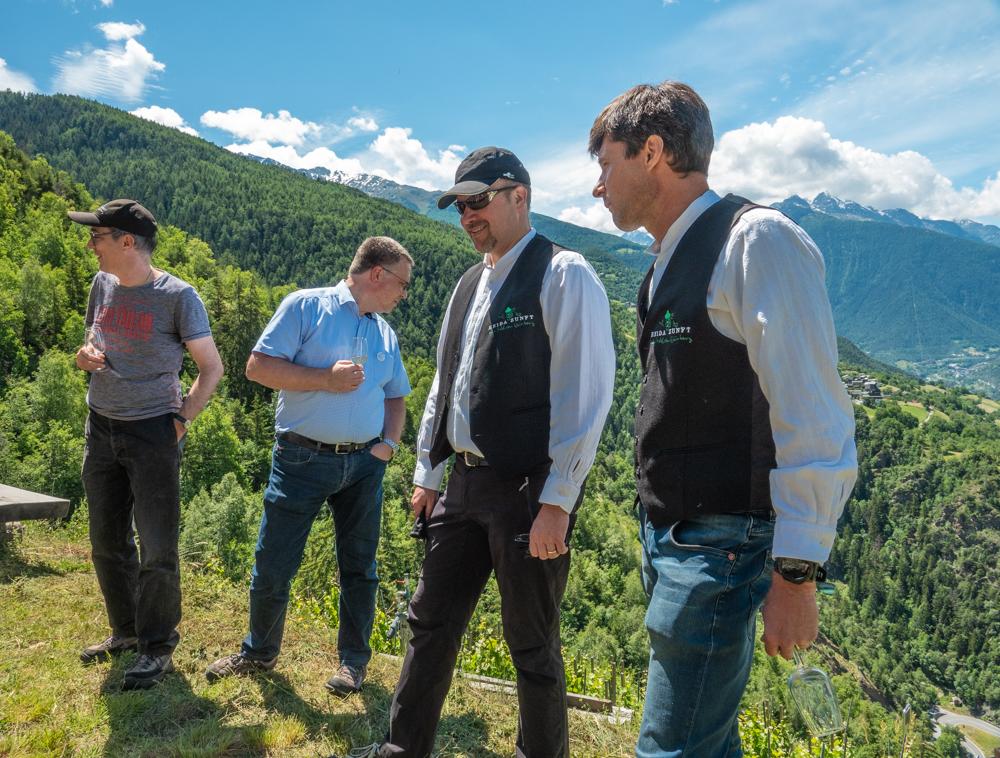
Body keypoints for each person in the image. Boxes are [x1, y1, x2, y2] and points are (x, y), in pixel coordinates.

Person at [589, 81, 858, 757]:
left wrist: (796, 572)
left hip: (723, 545)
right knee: (704, 739)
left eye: (607, 163)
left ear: (652, 152)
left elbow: (813, 411)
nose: (598, 186)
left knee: (672, 747)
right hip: (675, 537)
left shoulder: (755, 240)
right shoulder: (665, 262)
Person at [351, 147, 615, 758]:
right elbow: (446, 384)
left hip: (529, 490)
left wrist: (559, 502)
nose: (468, 215)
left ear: (519, 196)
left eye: (478, 201)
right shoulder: (470, 282)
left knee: (532, 643)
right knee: (429, 623)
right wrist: (428, 471)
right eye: (460, 206)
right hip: (462, 485)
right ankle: (402, 750)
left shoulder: (564, 273)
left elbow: (585, 396)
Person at [205, 236, 412, 696]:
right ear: (377, 274)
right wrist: (325, 380)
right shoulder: (306, 307)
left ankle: (353, 664)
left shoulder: (384, 332)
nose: (404, 293)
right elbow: (258, 367)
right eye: (402, 283)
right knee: (275, 562)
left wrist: (388, 446)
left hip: (364, 466)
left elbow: (396, 395)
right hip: (301, 458)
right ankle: (258, 653)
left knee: (360, 568)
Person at [72, 199, 224, 689]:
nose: (90, 245)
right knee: (106, 541)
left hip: (152, 432)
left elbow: (211, 368)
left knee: (157, 546)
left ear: (127, 242)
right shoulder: (102, 283)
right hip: (101, 427)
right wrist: (84, 357)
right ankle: (126, 632)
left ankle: (157, 646)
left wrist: (181, 420)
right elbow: (92, 341)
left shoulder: (178, 297)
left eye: (97, 237)